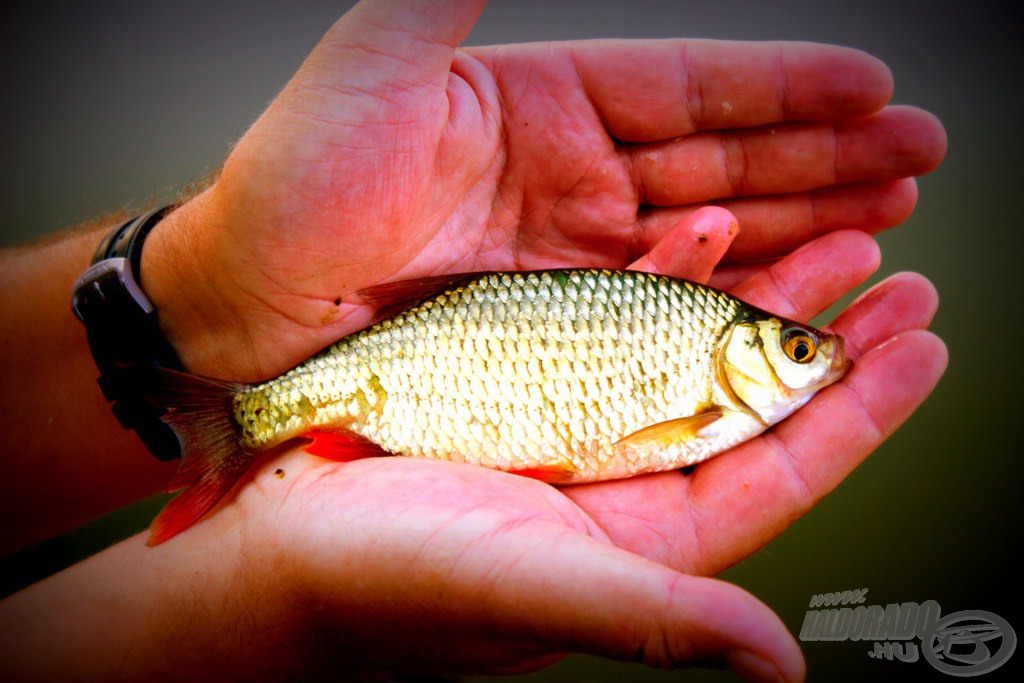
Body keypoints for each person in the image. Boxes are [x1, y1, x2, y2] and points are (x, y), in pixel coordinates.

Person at [0, 0, 947, 680]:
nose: (813, 359)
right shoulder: (706, 394)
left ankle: (228, 419)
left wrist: (200, 300)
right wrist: (206, 291)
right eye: (793, 350)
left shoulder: (701, 351)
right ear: (743, 352)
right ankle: (236, 424)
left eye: (801, 352)